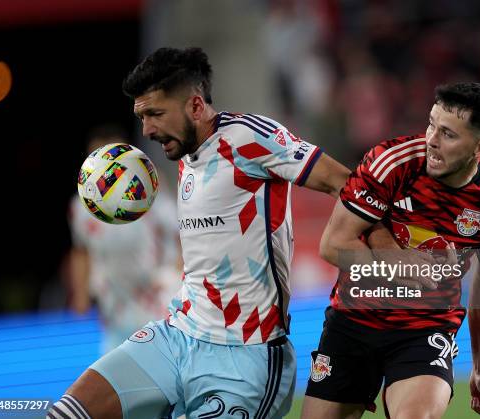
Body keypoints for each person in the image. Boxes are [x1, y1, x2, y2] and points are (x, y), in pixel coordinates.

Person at [47, 47, 350, 419]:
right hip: (177, 335)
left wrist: (370, 260)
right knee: (67, 413)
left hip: (246, 358)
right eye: (141, 116)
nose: (147, 130)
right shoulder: (186, 155)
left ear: (194, 106)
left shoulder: (248, 138)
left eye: (155, 114)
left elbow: (344, 183)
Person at [302, 82, 480, 418]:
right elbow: (333, 245)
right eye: (431, 123)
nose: (431, 139)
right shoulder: (392, 163)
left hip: (426, 328)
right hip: (354, 319)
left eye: (448, 134)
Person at [68, 124, 181, 354]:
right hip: (115, 302)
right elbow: (81, 250)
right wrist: (80, 293)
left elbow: (181, 237)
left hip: (156, 297)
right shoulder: (81, 207)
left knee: (161, 367)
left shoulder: (149, 194)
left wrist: (179, 275)